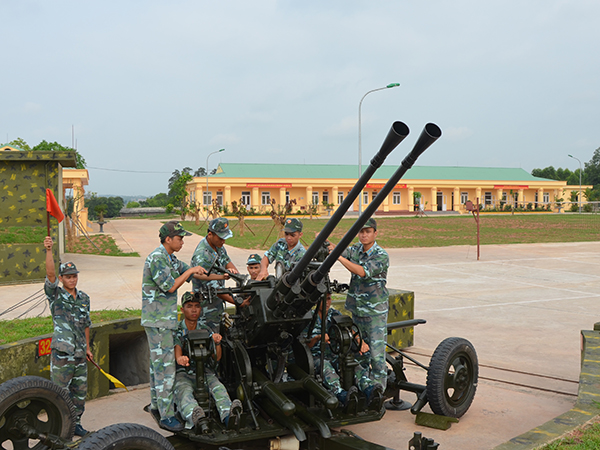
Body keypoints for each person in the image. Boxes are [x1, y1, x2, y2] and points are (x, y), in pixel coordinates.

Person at [142, 221, 207, 432]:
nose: (182, 242)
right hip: (159, 321)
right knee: (165, 369)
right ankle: (167, 416)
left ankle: (156, 405)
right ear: (167, 239)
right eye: (179, 238)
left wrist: (219, 275)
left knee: (157, 366)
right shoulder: (157, 258)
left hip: (162, 321)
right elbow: (170, 286)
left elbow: (193, 272)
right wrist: (190, 272)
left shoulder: (169, 257)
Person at [329, 217, 389, 398]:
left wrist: (338, 257)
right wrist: (328, 244)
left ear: (375, 233)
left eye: (368, 231)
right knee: (358, 353)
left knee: (377, 357)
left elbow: (361, 271)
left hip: (374, 313)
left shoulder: (380, 255)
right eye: (361, 231)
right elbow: (341, 250)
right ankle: (365, 387)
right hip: (357, 310)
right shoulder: (356, 249)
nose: (364, 235)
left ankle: (379, 393)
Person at [43, 236, 93, 437]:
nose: (72, 279)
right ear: (62, 279)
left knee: (79, 394)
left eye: (74, 276)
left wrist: (88, 348)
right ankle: (57, 428)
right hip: (62, 355)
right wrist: (49, 250)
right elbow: (50, 274)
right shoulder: (55, 296)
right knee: (59, 393)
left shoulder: (84, 298)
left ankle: (76, 424)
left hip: (80, 354)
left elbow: (87, 325)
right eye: (68, 276)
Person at [174, 291, 242, 428]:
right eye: (189, 306)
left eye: (197, 306)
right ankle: (196, 417)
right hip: (184, 373)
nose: (193, 309)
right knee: (184, 392)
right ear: (182, 310)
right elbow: (177, 346)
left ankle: (230, 416)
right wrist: (180, 358)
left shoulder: (206, 329)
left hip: (205, 372)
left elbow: (217, 358)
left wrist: (217, 343)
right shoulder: (177, 329)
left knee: (219, 389)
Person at [304, 293, 358, 406]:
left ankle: (368, 387)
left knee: (352, 364)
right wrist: (317, 338)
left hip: (332, 354)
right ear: (316, 302)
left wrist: (358, 339)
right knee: (326, 367)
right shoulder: (309, 318)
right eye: (323, 299)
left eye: (329, 299)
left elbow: (349, 327)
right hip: (315, 357)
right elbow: (305, 345)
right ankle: (341, 394)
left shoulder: (335, 314)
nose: (327, 302)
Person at [191, 218, 240, 332]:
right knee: (211, 340)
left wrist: (238, 277)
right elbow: (215, 288)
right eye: (221, 238)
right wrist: (238, 302)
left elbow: (227, 262)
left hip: (217, 305)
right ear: (210, 234)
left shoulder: (217, 245)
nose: (223, 241)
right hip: (206, 310)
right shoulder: (202, 255)